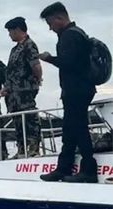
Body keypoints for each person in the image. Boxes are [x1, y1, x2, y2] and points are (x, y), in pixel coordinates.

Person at [38, 2, 98, 183]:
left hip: (76, 90)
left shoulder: (69, 36)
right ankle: (63, 168)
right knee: (70, 130)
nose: (50, 28)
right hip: (80, 88)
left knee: (78, 128)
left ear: (60, 18)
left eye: (50, 23)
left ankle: (88, 169)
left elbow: (69, 63)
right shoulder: (78, 33)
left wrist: (49, 58)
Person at [1, 17, 43, 158]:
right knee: (18, 120)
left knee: (29, 118)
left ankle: (33, 148)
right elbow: (11, 72)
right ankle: (21, 149)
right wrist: (6, 87)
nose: (9, 35)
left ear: (18, 30)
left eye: (10, 31)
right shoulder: (15, 49)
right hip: (13, 93)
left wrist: (36, 80)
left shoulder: (29, 45)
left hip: (25, 90)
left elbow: (36, 66)